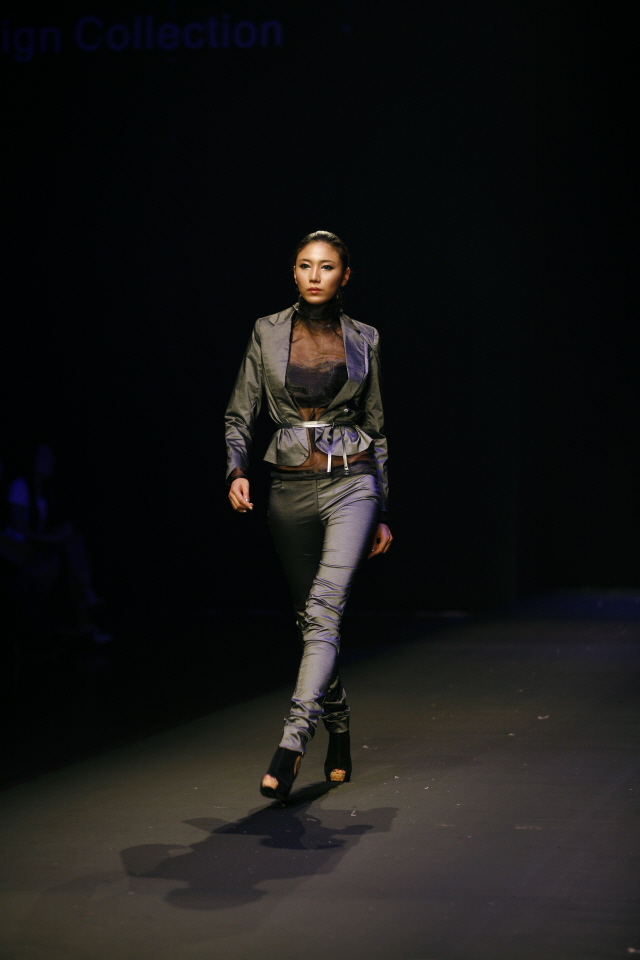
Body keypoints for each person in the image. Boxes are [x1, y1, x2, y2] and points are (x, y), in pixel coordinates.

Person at [225, 230, 392, 801]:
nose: (315, 275)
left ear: (345, 276)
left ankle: (292, 743)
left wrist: (382, 508)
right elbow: (239, 411)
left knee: (324, 612)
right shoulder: (267, 331)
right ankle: (339, 726)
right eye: (305, 265)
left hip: (354, 482)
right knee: (309, 619)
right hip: (289, 486)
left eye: (326, 267)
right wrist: (236, 469)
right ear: (294, 273)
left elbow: (376, 425)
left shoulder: (365, 337)